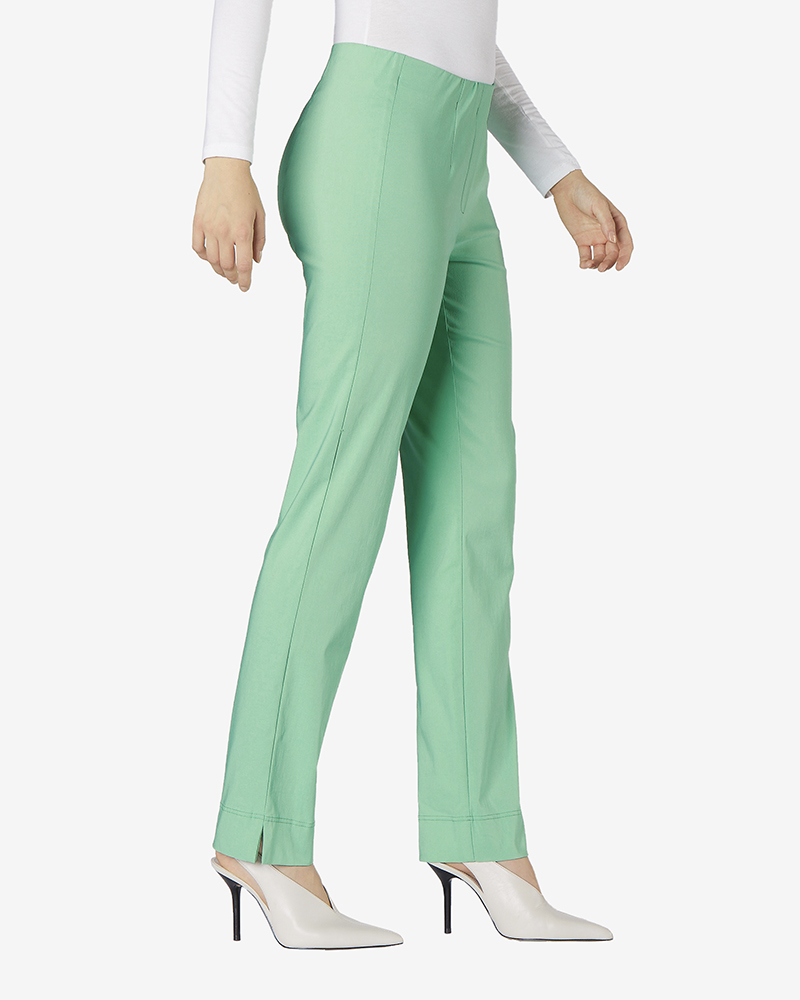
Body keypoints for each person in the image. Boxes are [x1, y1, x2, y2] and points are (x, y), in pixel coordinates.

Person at [192, 0, 633, 950]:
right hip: (375, 135)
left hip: (459, 158)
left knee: (474, 510)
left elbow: (456, 25)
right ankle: (262, 835)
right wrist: (225, 156)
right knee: (340, 491)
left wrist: (557, 171)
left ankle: (484, 837)